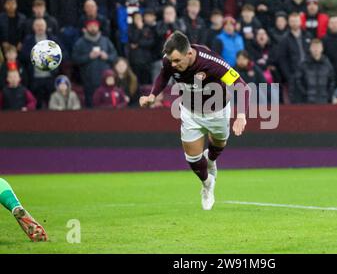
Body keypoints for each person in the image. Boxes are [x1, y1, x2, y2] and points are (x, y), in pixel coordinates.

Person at [139, 31, 250, 210]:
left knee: (218, 146)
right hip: (190, 112)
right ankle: (207, 184)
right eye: (171, 61)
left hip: (218, 111)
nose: (173, 65)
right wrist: (152, 95)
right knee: (192, 158)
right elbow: (163, 76)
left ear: (189, 53)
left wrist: (242, 115)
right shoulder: (169, 61)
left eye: (177, 61)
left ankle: (212, 161)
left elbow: (242, 87)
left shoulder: (212, 63)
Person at [72, 19, 118, 107]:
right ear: (86, 28)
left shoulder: (106, 41)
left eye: (95, 26)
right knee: (91, 106)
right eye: (90, 26)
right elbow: (75, 59)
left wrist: (107, 57)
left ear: (98, 28)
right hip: (89, 81)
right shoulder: (80, 43)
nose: (93, 28)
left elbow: (115, 56)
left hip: (106, 82)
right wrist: (89, 57)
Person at [290, 38, 335, 104]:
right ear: (310, 49)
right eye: (314, 47)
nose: (316, 49)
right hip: (307, 101)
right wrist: (305, 94)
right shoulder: (303, 64)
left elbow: (332, 82)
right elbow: (298, 82)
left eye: (318, 47)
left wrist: (328, 96)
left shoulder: (327, 64)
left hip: (323, 101)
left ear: (322, 49)